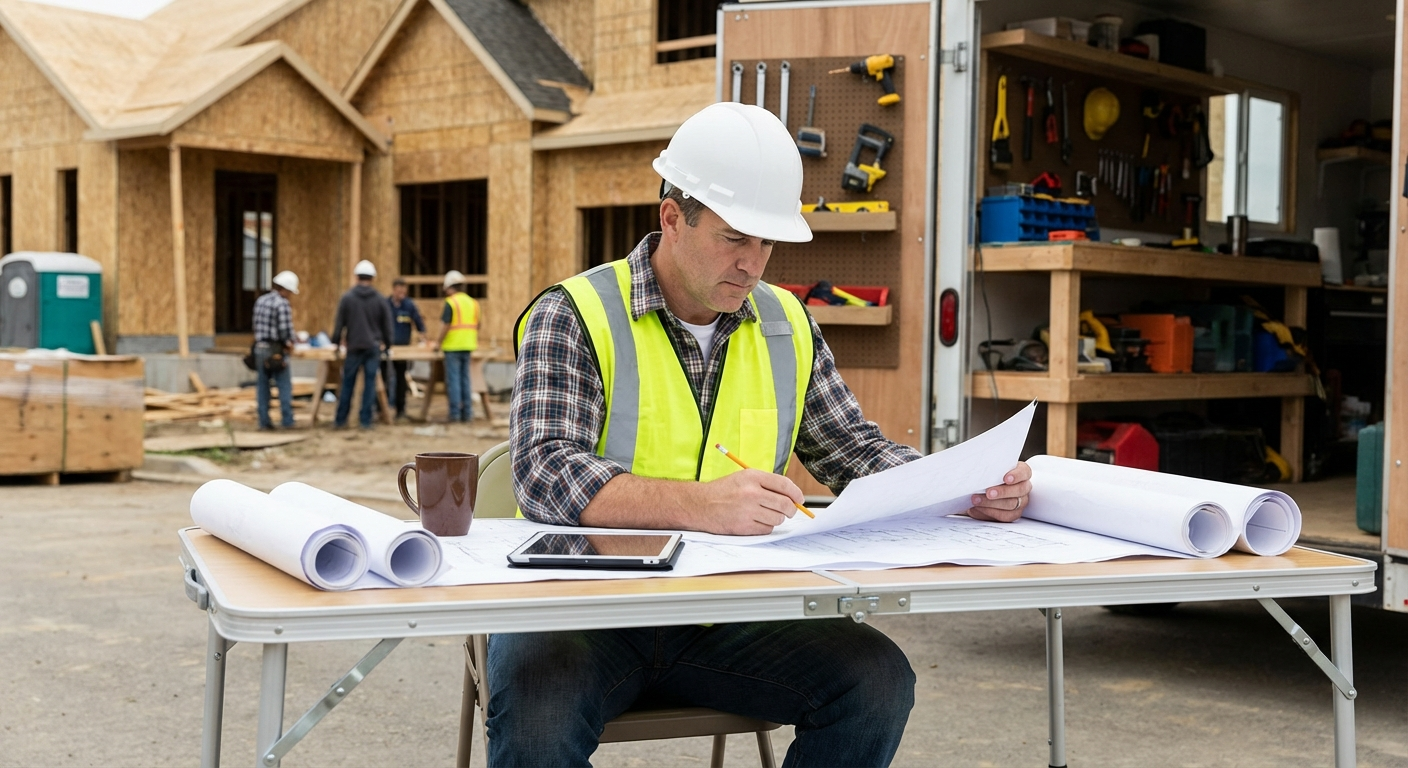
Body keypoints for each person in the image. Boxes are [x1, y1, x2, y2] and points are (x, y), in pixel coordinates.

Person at [501, 102, 1033, 767]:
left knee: (875, 680)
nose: (752, 264)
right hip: (584, 613)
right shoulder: (575, 314)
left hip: (727, 613)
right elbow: (545, 471)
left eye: (766, 243)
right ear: (672, 217)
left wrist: (961, 487)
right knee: (535, 706)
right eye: (733, 238)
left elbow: (855, 451)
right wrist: (701, 505)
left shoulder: (787, 323)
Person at [331, 260, 394, 430]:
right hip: (372, 348)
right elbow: (387, 326)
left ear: (357, 277)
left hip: (354, 347)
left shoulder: (347, 298)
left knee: (347, 385)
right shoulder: (380, 299)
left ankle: (340, 420)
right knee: (369, 385)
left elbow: (339, 324)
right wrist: (388, 345)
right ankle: (365, 421)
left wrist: (336, 343)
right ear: (372, 278)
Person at [251, 270, 300, 431]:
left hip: (260, 348)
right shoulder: (282, 303)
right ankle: (287, 420)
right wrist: (290, 343)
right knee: (284, 385)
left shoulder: (261, 300)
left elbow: (256, 325)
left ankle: (263, 421)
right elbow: (284, 331)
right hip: (275, 351)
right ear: (285, 289)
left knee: (263, 386)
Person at [434, 270, 480, 423]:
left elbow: (445, 325)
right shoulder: (473, 303)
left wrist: (437, 343)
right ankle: (467, 413)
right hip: (468, 345)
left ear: (449, 287)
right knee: (465, 380)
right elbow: (478, 325)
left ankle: (455, 414)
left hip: (452, 346)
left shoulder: (451, 303)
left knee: (454, 380)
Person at [383, 277, 426, 420]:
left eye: (404, 291)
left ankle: (400, 410)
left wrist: (423, 338)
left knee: (401, 378)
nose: (401, 293)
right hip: (386, 347)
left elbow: (419, 323)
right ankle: (382, 408)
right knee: (383, 378)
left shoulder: (409, 305)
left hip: (403, 348)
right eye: (399, 290)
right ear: (393, 289)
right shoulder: (385, 304)